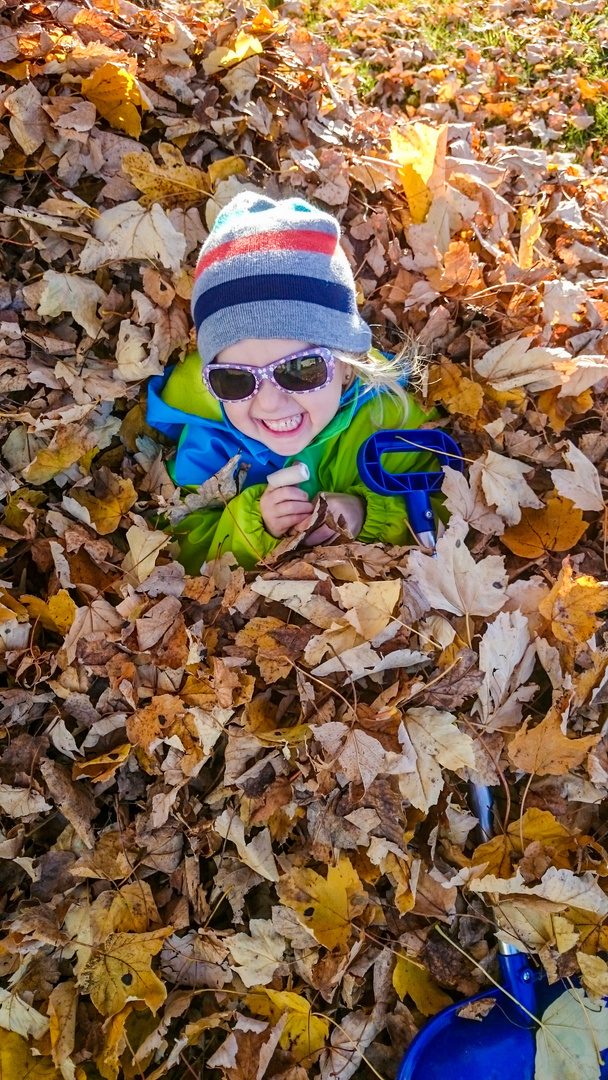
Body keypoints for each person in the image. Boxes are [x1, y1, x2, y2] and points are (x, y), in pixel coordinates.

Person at [146, 191, 434, 572]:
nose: (268, 403)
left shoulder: (385, 420)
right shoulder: (211, 444)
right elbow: (184, 544)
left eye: (299, 370)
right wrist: (255, 524)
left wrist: (367, 513)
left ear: (347, 365)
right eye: (235, 380)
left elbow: (438, 501)